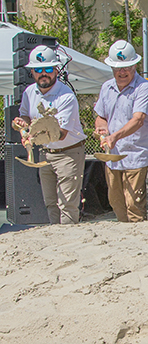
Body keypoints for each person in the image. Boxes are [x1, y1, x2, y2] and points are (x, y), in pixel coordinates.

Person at [14, 45, 86, 225]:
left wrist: (31, 135)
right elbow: (25, 114)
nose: (43, 73)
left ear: (55, 70)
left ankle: (69, 243)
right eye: (38, 69)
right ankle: (57, 243)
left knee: (67, 205)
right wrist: (22, 124)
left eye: (47, 69)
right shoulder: (29, 92)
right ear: (32, 72)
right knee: (50, 204)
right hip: (45, 153)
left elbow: (59, 134)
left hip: (68, 153)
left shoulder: (66, 96)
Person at [94, 40, 148, 222]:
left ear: (135, 65)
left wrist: (114, 135)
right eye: (117, 68)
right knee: (116, 202)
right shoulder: (107, 87)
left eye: (126, 67)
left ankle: (138, 241)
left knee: (134, 204)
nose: (122, 72)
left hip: (136, 154)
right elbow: (101, 115)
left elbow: (138, 120)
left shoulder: (144, 88)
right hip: (113, 155)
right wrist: (102, 128)